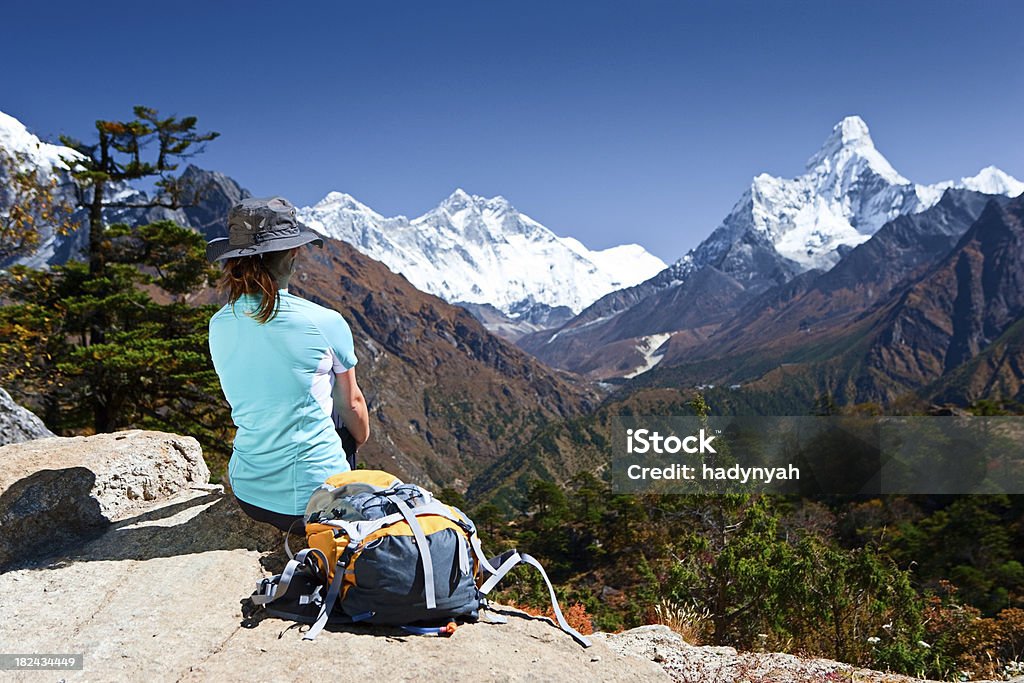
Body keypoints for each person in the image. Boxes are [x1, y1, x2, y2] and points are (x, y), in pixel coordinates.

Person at [207, 196, 370, 532]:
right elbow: (352, 404)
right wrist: (357, 440)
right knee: (341, 414)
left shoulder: (219, 322)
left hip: (248, 494)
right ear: (292, 254)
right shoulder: (324, 321)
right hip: (315, 503)